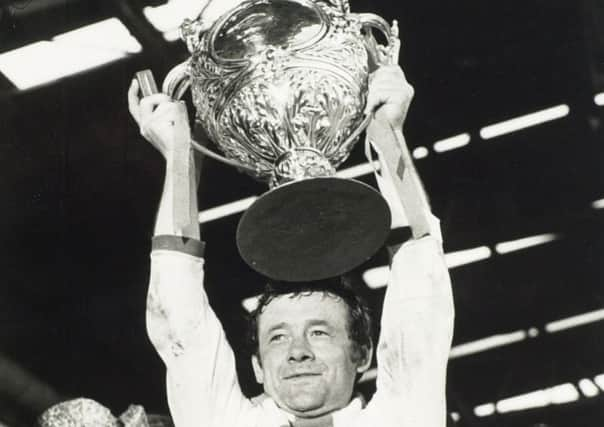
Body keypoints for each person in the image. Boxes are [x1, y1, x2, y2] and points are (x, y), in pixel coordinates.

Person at [127, 62, 455, 426]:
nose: (298, 352)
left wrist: (387, 131)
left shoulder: (402, 417)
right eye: (277, 338)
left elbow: (421, 289)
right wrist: (179, 156)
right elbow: (177, 318)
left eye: (319, 332)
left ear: (362, 354)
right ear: (258, 367)